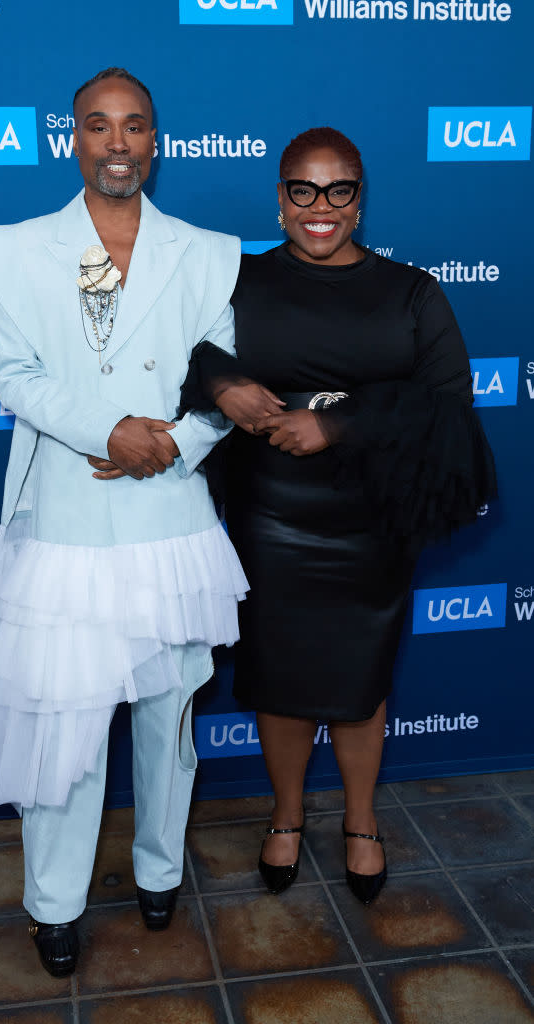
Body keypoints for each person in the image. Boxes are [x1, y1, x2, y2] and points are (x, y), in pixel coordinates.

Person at [0, 67, 248, 977]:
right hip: (71, 515)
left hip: (168, 512)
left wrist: (175, 443)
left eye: (134, 127)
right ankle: (54, 903)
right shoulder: (19, 248)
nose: (117, 142)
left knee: (168, 721)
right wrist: (110, 432)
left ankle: (160, 871)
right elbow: (15, 374)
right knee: (66, 725)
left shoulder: (206, 252)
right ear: (73, 139)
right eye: (98, 125)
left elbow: (224, 372)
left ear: (154, 141)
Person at [179, 127, 496, 904]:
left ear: (358, 200)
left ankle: (360, 821)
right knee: (280, 675)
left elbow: (449, 406)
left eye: (338, 190)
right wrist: (222, 383)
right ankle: (284, 817)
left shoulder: (411, 292)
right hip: (269, 513)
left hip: (372, 518)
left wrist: (338, 422)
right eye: (302, 190)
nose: (320, 207)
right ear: (280, 198)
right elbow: (173, 348)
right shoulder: (236, 280)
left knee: (360, 677)